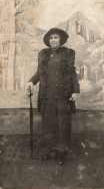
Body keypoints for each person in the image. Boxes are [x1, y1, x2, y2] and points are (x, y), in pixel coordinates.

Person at [27, 28, 80, 164]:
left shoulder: (68, 54)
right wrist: (31, 82)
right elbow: (39, 72)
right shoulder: (43, 54)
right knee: (48, 125)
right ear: (48, 41)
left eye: (55, 37)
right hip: (48, 96)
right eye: (51, 38)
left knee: (62, 125)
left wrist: (75, 91)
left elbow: (73, 74)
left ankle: (61, 154)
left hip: (63, 96)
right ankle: (50, 151)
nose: (53, 40)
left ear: (60, 39)